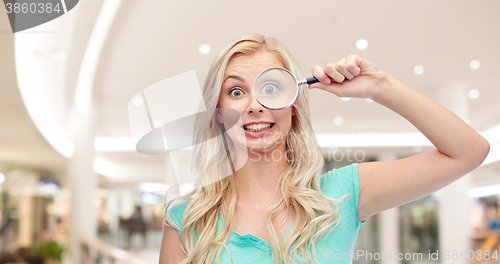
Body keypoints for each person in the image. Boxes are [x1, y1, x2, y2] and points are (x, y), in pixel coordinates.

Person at [159, 34, 490, 264]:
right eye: (235, 91)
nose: (254, 105)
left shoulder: (341, 195)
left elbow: (468, 151)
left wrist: (379, 86)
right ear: (218, 113)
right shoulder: (186, 219)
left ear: (292, 105)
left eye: (271, 88)